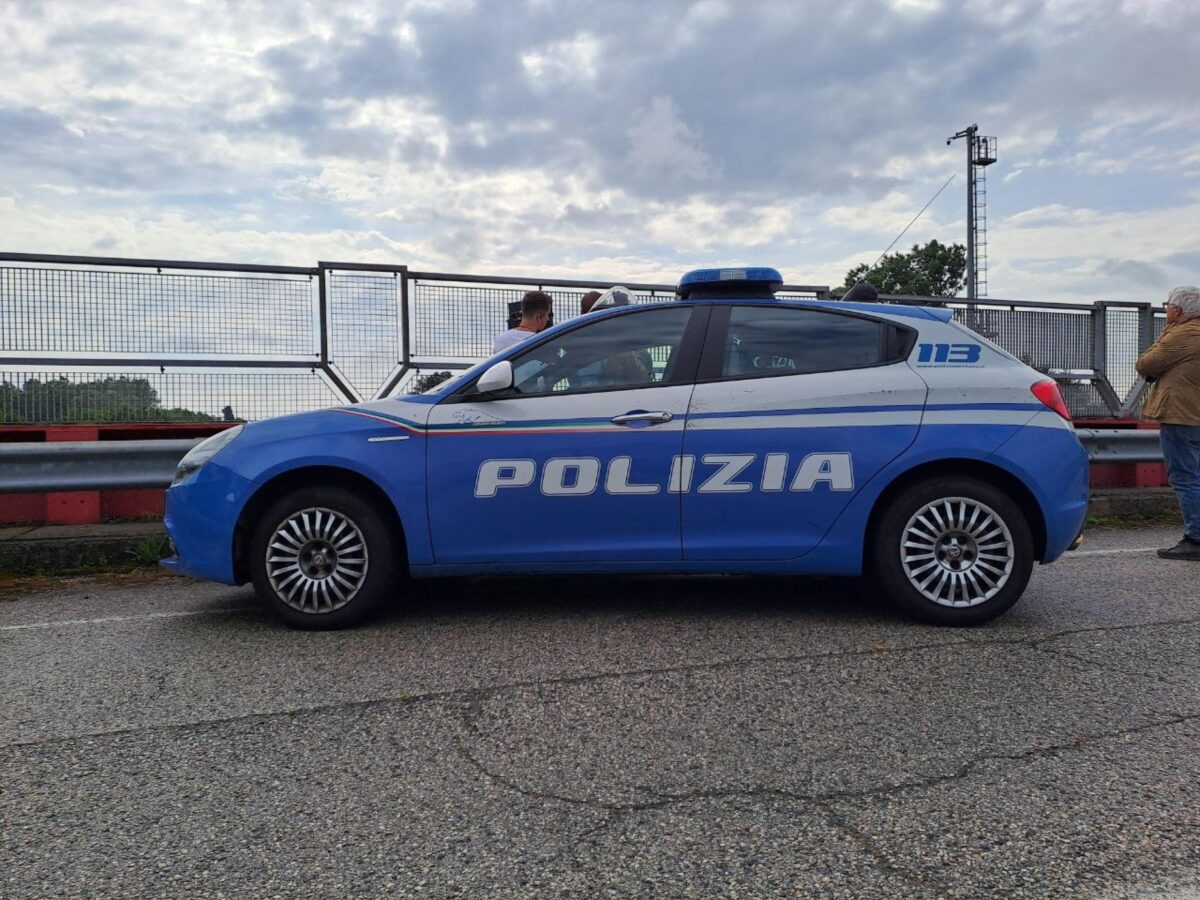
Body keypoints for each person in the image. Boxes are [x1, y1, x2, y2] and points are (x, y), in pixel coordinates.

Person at [1135, 285, 1200, 560]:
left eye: (1168, 306)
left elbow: (1146, 365)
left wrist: (1164, 335)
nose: (1165, 310)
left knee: (1186, 478)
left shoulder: (1183, 334)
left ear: (1179, 310)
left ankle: (1196, 540)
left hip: (1182, 416)